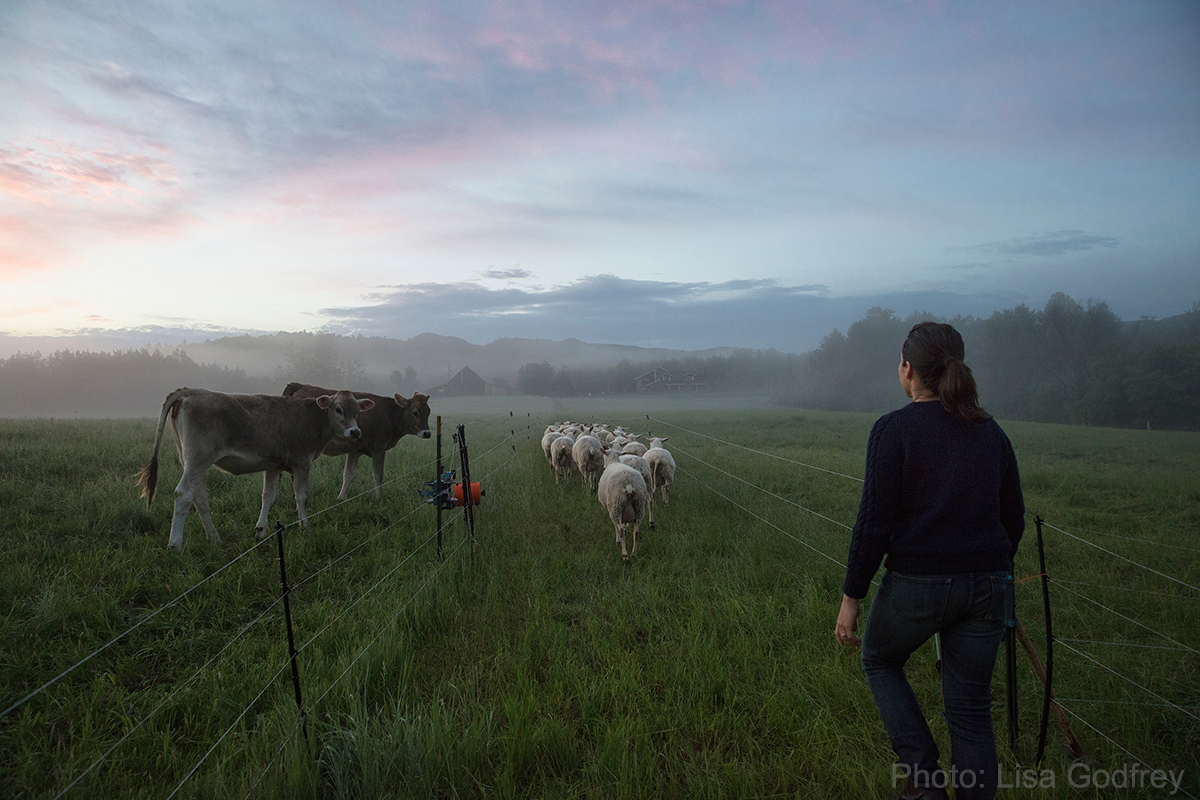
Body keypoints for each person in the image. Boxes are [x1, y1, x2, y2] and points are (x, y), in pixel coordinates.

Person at [835, 322, 1024, 800]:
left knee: (878, 659)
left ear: (908, 370)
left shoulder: (893, 430)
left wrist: (852, 596)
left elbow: (874, 523)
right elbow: (1013, 519)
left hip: (919, 583)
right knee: (970, 709)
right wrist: (993, 573)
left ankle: (924, 779)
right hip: (987, 585)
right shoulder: (991, 433)